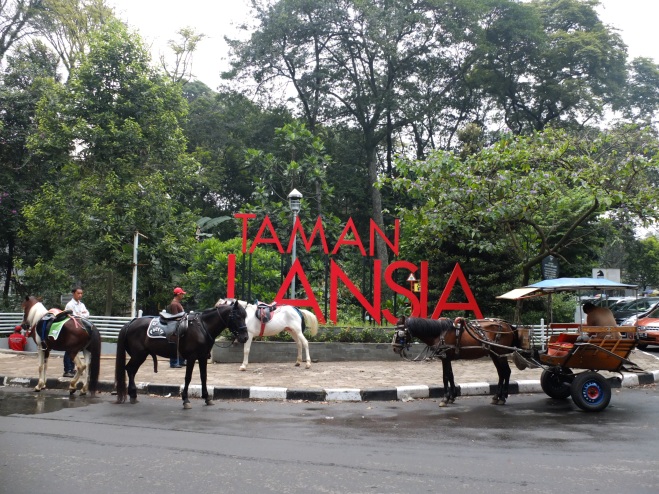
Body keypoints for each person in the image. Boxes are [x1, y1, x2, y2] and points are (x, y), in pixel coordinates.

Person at [63, 287, 90, 377]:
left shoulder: (81, 304)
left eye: (81, 293)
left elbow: (87, 314)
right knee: (69, 350)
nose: (80, 295)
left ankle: (72, 369)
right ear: (73, 294)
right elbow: (73, 316)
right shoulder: (70, 305)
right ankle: (67, 370)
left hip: (78, 329)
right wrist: (81, 315)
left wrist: (80, 315)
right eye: (78, 293)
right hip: (70, 330)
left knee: (75, 350)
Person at [168, 287, 187, 368]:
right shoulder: (174, 304)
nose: (183, 295)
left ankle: (181, 360)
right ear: (178, 294)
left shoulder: (177, 303)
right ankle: (174, 362)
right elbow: (176, 316)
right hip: (175, 326)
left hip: (179, 325)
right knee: (175, 344)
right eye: (182, 294)